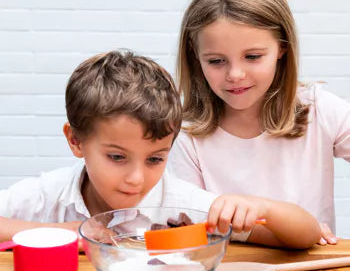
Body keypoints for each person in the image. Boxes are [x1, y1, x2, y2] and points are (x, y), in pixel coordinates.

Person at [0, 50, 320, 249]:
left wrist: (260, 207)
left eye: (155, 159)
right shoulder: (49, 195)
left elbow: (307, 235)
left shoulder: (182, 207)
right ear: (76, 141)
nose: (136, 179)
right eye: (117, 157)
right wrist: (60, 232)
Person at [169, 0, 350, 245]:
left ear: (282, 48)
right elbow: (198, 225)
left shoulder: (319, 110)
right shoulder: (188, 135)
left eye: (252, 57)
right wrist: (298, 230)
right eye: (216, 61)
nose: (235, 74)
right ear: (195, 55)